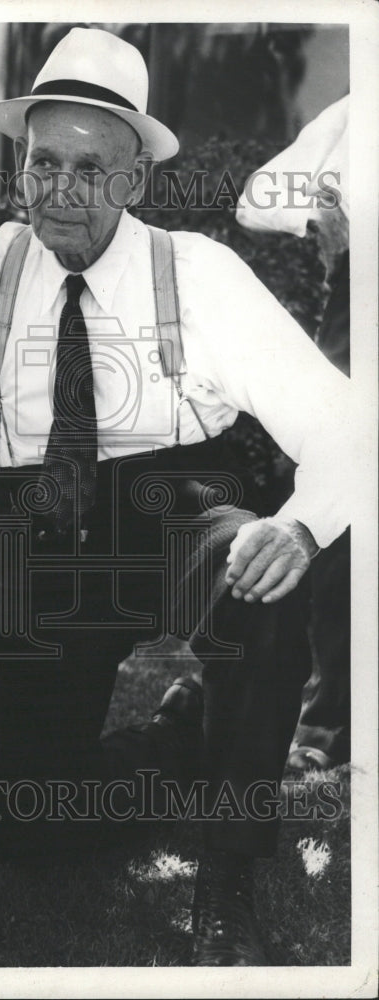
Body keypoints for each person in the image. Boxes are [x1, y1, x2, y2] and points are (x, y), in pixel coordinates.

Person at [0, 28, 356, 964]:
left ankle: (227, 880)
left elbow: (345, 425)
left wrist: (299, 527)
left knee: (261, 591)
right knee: (30, 826)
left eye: (88, 168)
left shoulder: (199, 274)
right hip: (43, 525)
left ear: (134, 178)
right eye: (41, 163)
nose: (58, 190)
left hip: (176, 503)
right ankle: (182, 744)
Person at [236, 95, 350, 771]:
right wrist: (314, 214)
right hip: (359, 317)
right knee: (339, 520)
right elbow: (254, 199)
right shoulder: (353, 110)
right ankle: (322, 732)